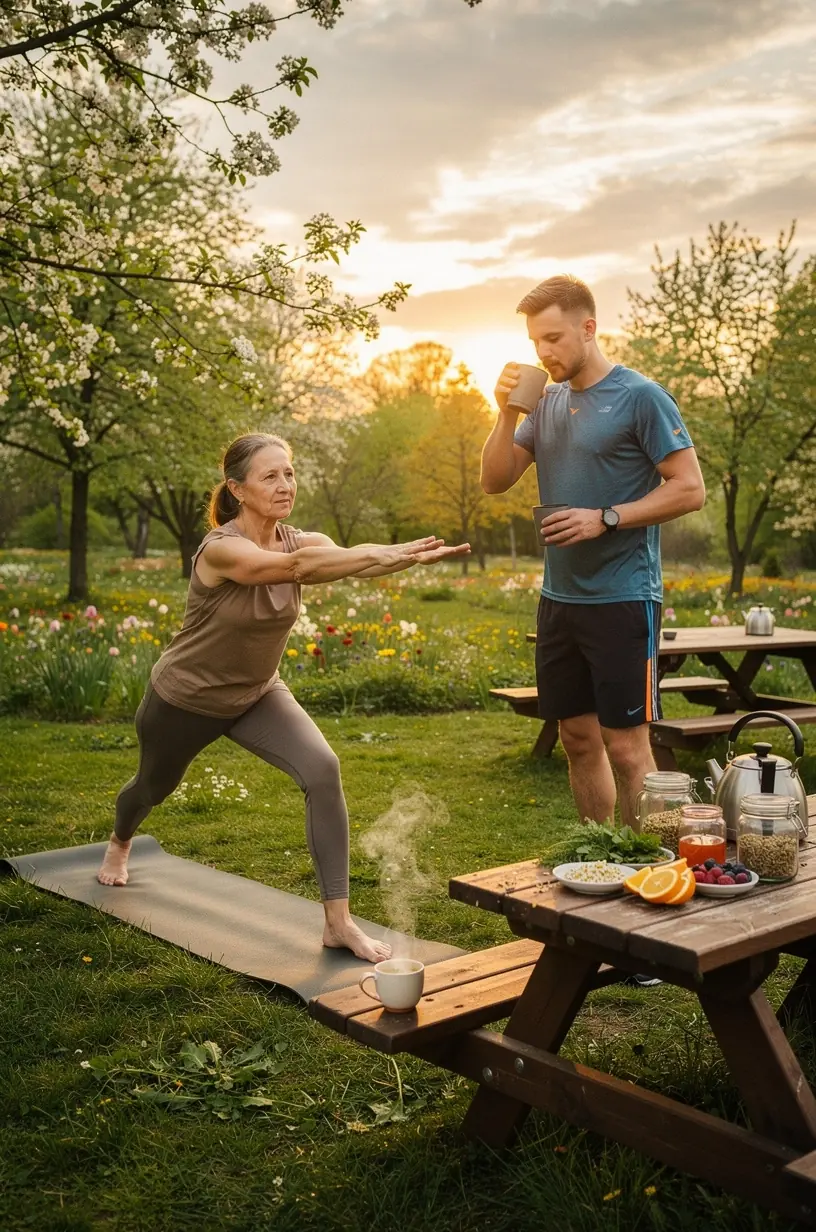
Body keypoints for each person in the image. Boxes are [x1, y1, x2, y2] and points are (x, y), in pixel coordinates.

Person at [97, 432, 470, 962]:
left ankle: (338, 923)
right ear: (237, 489)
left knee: (322, 769)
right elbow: (293, 571)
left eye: (289, 473)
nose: (284, 484)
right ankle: (120, 840)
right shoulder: (222, 549)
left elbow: (348, 561)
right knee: (152, 787)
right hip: (184, 698)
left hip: (256, 693)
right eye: (269, 476)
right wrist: (383, 553)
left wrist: (404, 557)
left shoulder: (300, 540)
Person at [481, 275, 705, 829]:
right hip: (560, 600)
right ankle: (600, 858)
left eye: (554, 338)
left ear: (589, 328)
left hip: (624, 597)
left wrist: (605, 518)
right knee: (577, 739)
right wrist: (505, 412)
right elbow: (495, 480)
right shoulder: (545, 402)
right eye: (536, 342)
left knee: (627, 748)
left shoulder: (640, 397)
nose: (544, 352)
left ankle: (650, 866)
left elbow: (689, 488)